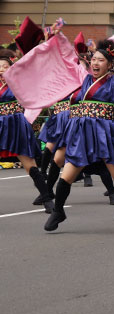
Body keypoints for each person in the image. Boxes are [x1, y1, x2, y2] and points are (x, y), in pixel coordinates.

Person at [44, 39, 114, 233]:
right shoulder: (86, 80)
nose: (95, 63)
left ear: (110, 63)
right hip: (83, 134)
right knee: (66, 177)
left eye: (100, 60)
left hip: (105, 134)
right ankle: (58, 212)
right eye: (94, 59)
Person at [0, 49, 54, 213]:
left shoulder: (18, 83)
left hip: (15, 125)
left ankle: (47, 200)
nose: (1, 69)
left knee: (29, 164)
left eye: (4, 66)